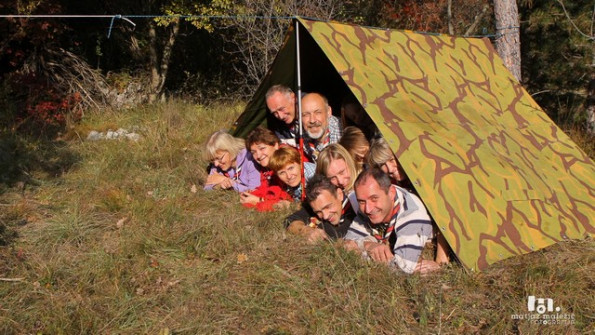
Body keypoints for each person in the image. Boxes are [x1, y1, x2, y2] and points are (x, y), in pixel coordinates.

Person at [345, 168, 442, 274]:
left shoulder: (411, 215)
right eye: (361, 202)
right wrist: (368, 245)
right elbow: (346, 243)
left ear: (391, 193)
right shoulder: (368, 198)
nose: (368, 209)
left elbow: (402, 269)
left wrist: (360, 251)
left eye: (374, 199)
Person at [284, 174, 356, 243]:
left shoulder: (354, 208)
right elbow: (290, 221)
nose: (325, 216)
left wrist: (319, 228)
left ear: (339, 195)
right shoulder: (316, 204)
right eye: (318, 212)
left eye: (328, 207)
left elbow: (340, 234)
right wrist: (306, 231)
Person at [240, 127, 292, 211]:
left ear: (275, 145)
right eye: (254, 152)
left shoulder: (286, 161)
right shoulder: (266, 169)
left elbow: (288, 201)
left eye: (262, 148)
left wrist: (259, 201)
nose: (259, 155)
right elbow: (266, 188)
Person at [315, 144, 361, 212]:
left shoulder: (366, 184)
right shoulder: (332, 193)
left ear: (349, 162)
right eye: (332, 178)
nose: (340, 181)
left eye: (342, 172)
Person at [301, 92, 342, 161]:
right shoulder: (303, 136)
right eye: (306, 114)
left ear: (328, 112)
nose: (312, 120)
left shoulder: (343, 134)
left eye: (318, 113)